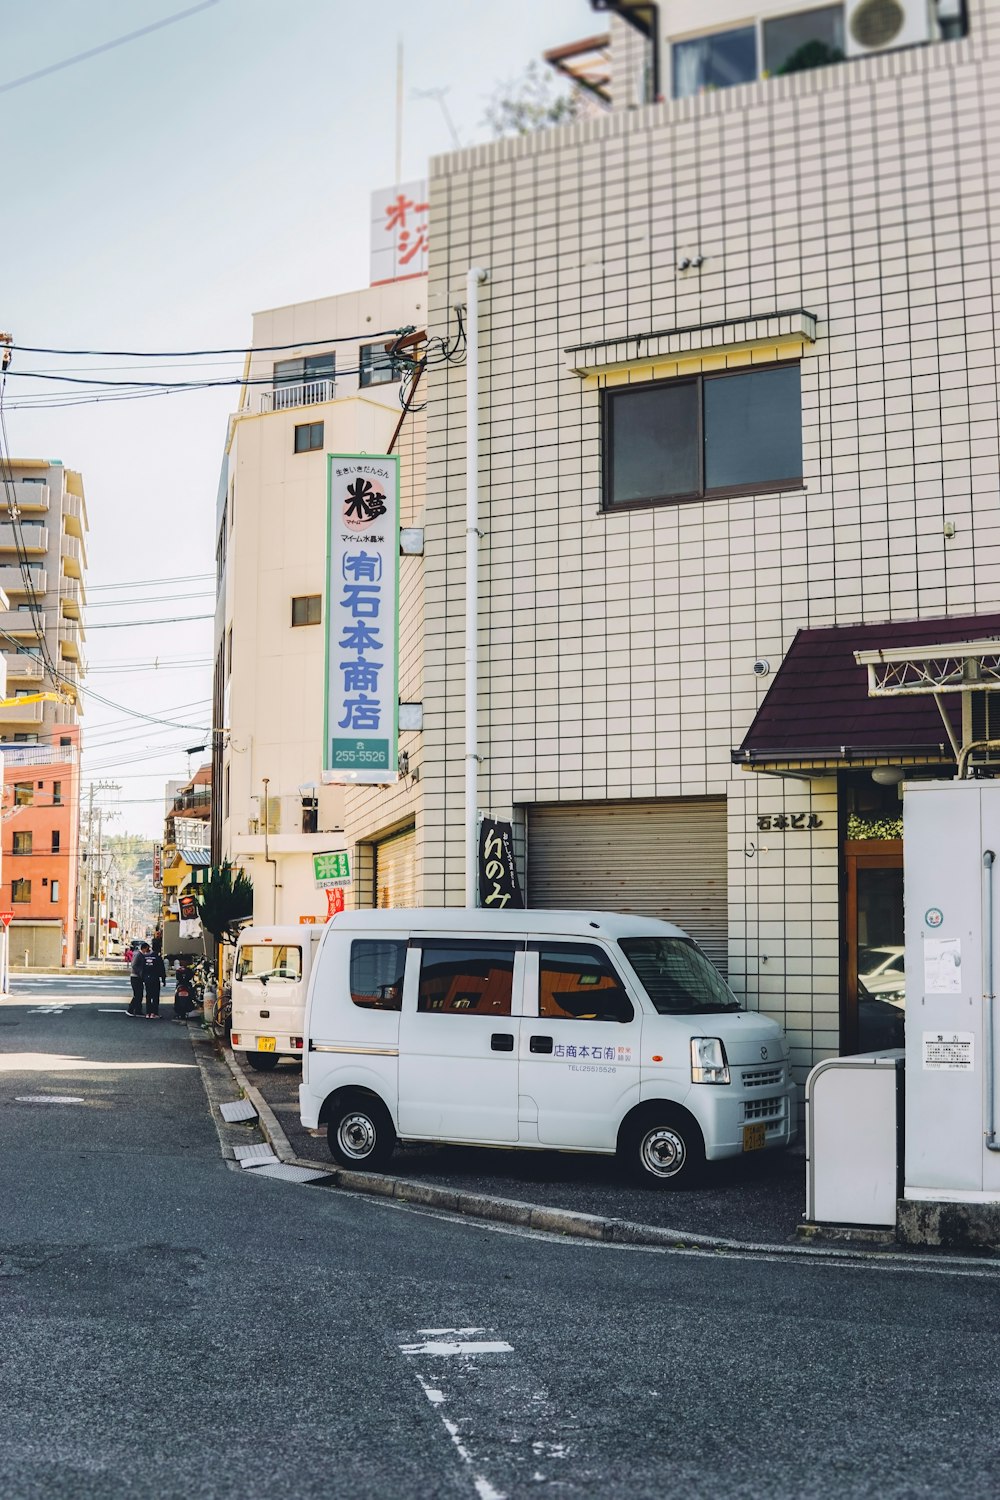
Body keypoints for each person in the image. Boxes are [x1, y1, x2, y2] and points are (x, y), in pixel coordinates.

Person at [136, 942, 167, 1018]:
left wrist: (143, 977)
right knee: (155, 996)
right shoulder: (158, 957)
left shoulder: (146, 957)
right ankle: (154, 1013)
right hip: (155, 978)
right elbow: (162, 970)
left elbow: (142, 968)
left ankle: (148, 1013)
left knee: (148, 995)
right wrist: (163, 979)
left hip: (147, 979)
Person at [126, 947, 144, 1017]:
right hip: (135, 977)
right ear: (144, 948)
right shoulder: (138, 955)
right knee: (138, 994)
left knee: (139, 994)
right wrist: (140, 973)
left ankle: (137, 1010)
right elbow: (133, 965)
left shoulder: (139, 954)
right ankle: (131, 1009)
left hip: (137, 977)